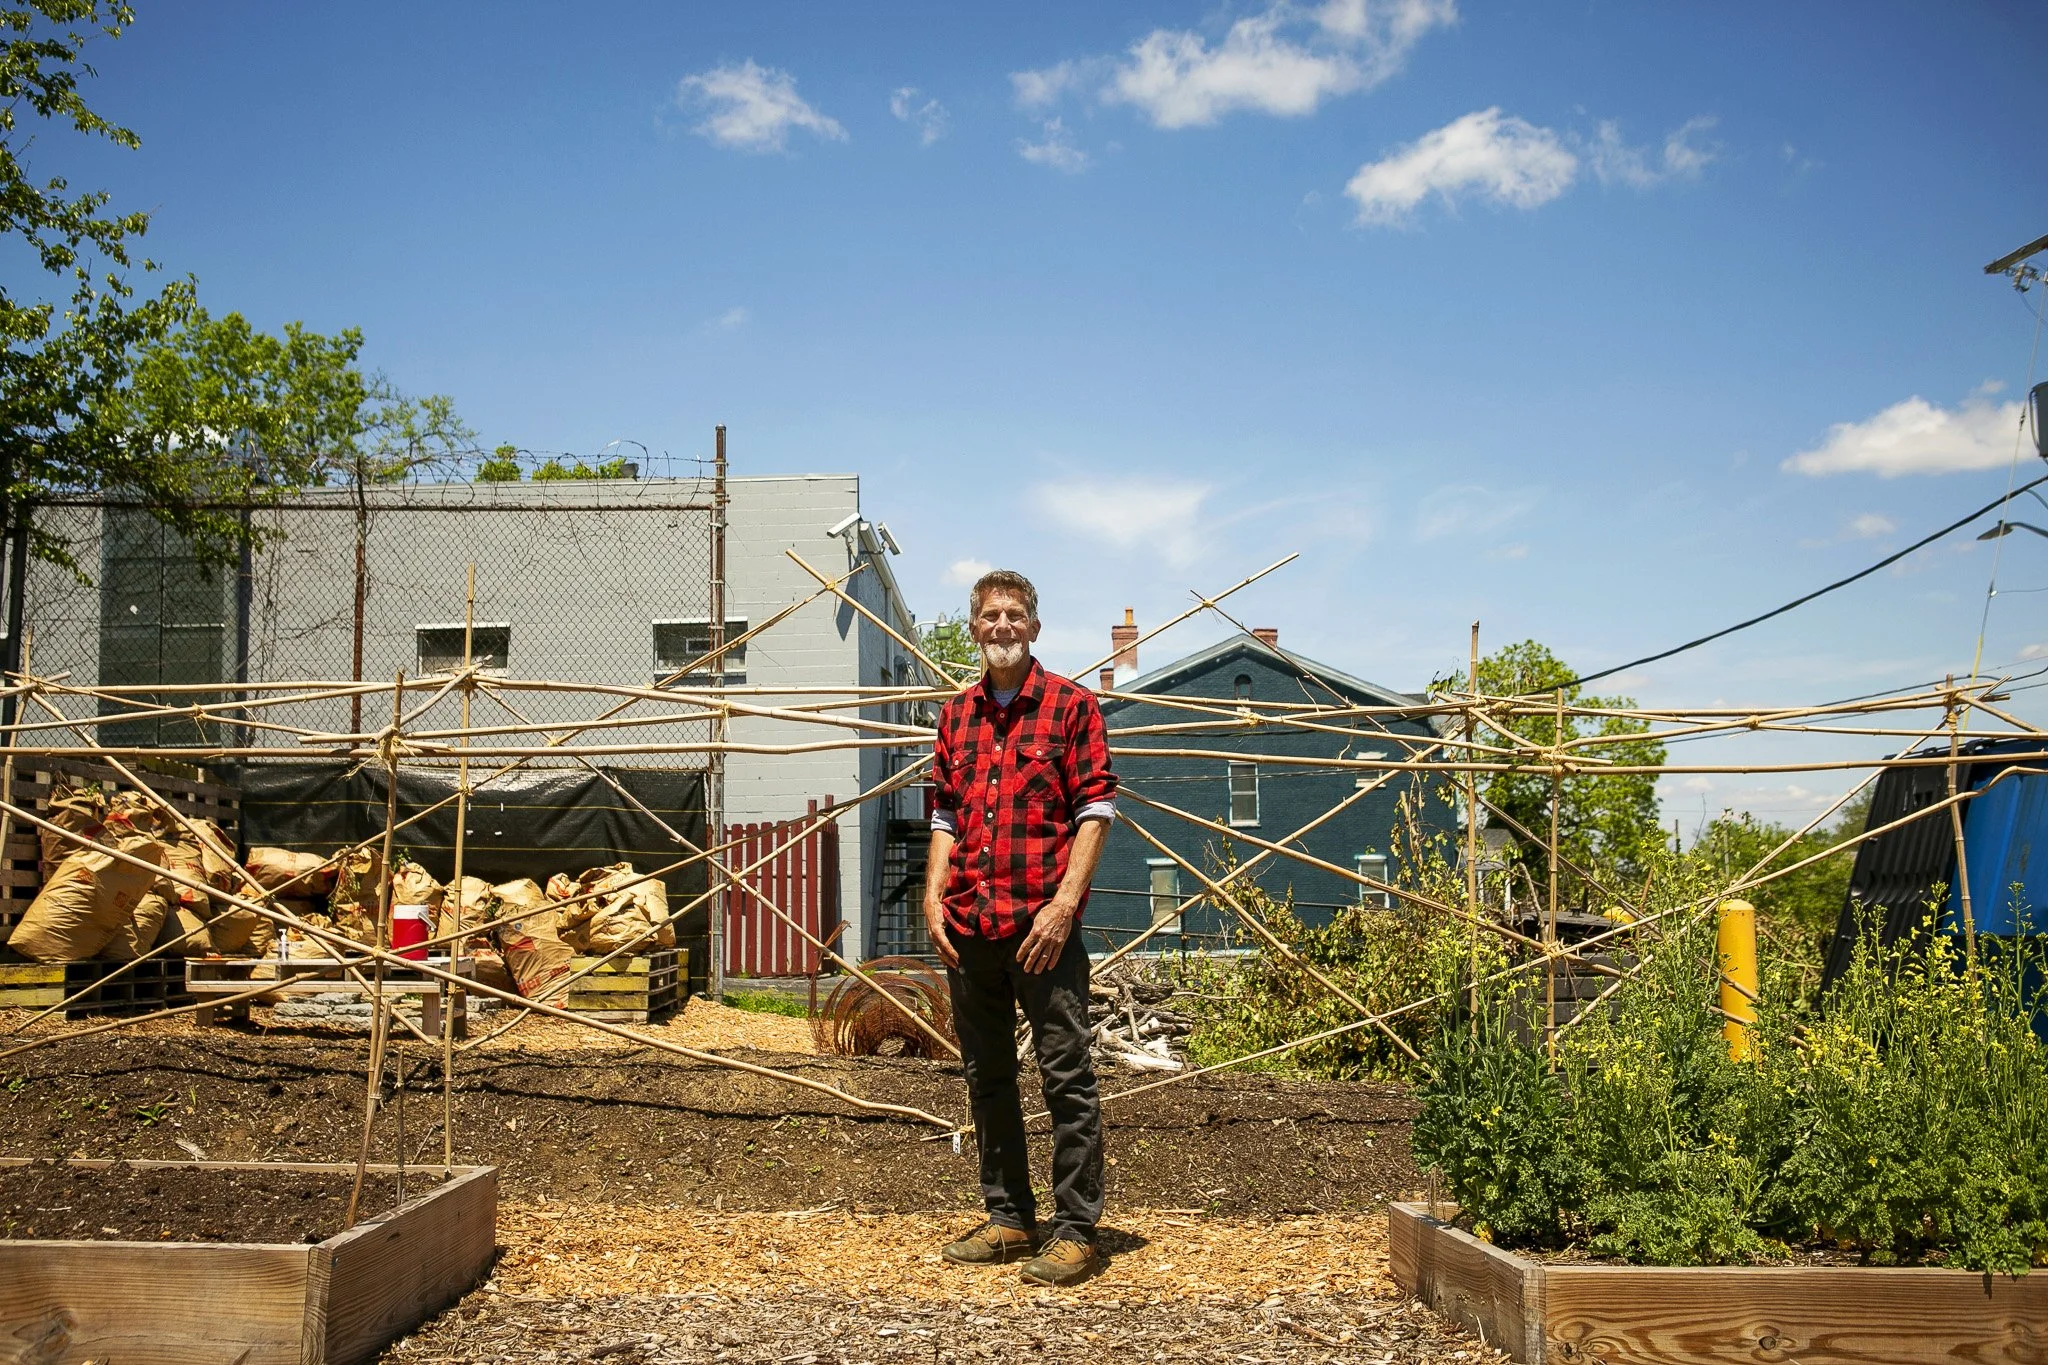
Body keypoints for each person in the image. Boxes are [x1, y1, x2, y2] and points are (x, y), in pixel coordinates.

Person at [924, 568, 1117, 1287]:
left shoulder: (1071, 707)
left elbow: (1095, 811)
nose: (1002, 626)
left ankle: (1076, 1229)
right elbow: (944, 812)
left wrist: (1065, 904)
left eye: (1015, 614)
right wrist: (933, 893)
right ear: (974, 628)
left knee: (1066, 1074)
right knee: (989, 1077)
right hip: (971, 922)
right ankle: (1009, 1217)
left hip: (1043, 927)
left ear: (1035, 627)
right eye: (989, 616)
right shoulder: (957, 715)